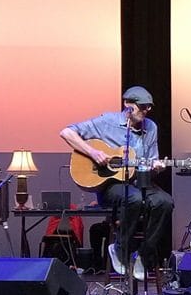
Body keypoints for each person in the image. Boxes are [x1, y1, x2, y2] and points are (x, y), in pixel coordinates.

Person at [60, 86, 174, 280]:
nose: (146, 111)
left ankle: (143, 256)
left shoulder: (151, 128)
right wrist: (93, 152)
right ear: (128, 105)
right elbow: (66, 132)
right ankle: (119, 248)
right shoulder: (107, 122)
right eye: (142, 106)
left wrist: (156, 167)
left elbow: (150, 161)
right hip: (111, 185)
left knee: (165, 202)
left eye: (148, 107)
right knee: (134, 199)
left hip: (139, 180)